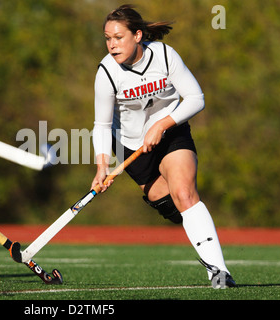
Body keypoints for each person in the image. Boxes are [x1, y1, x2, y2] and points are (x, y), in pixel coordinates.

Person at [91, 5, 236, 288]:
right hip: (129, 146)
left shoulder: (165, 56)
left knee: (184, 193)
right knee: (171, 206)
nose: (112, 45)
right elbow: (102, 126)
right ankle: (186, 216)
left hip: (171, 133)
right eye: (108, 38)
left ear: (138, 35)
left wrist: (161, 125)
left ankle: (219, 272)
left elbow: (195, 98)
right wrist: (101, 166)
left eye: (118, 37)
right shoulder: (107, 73)